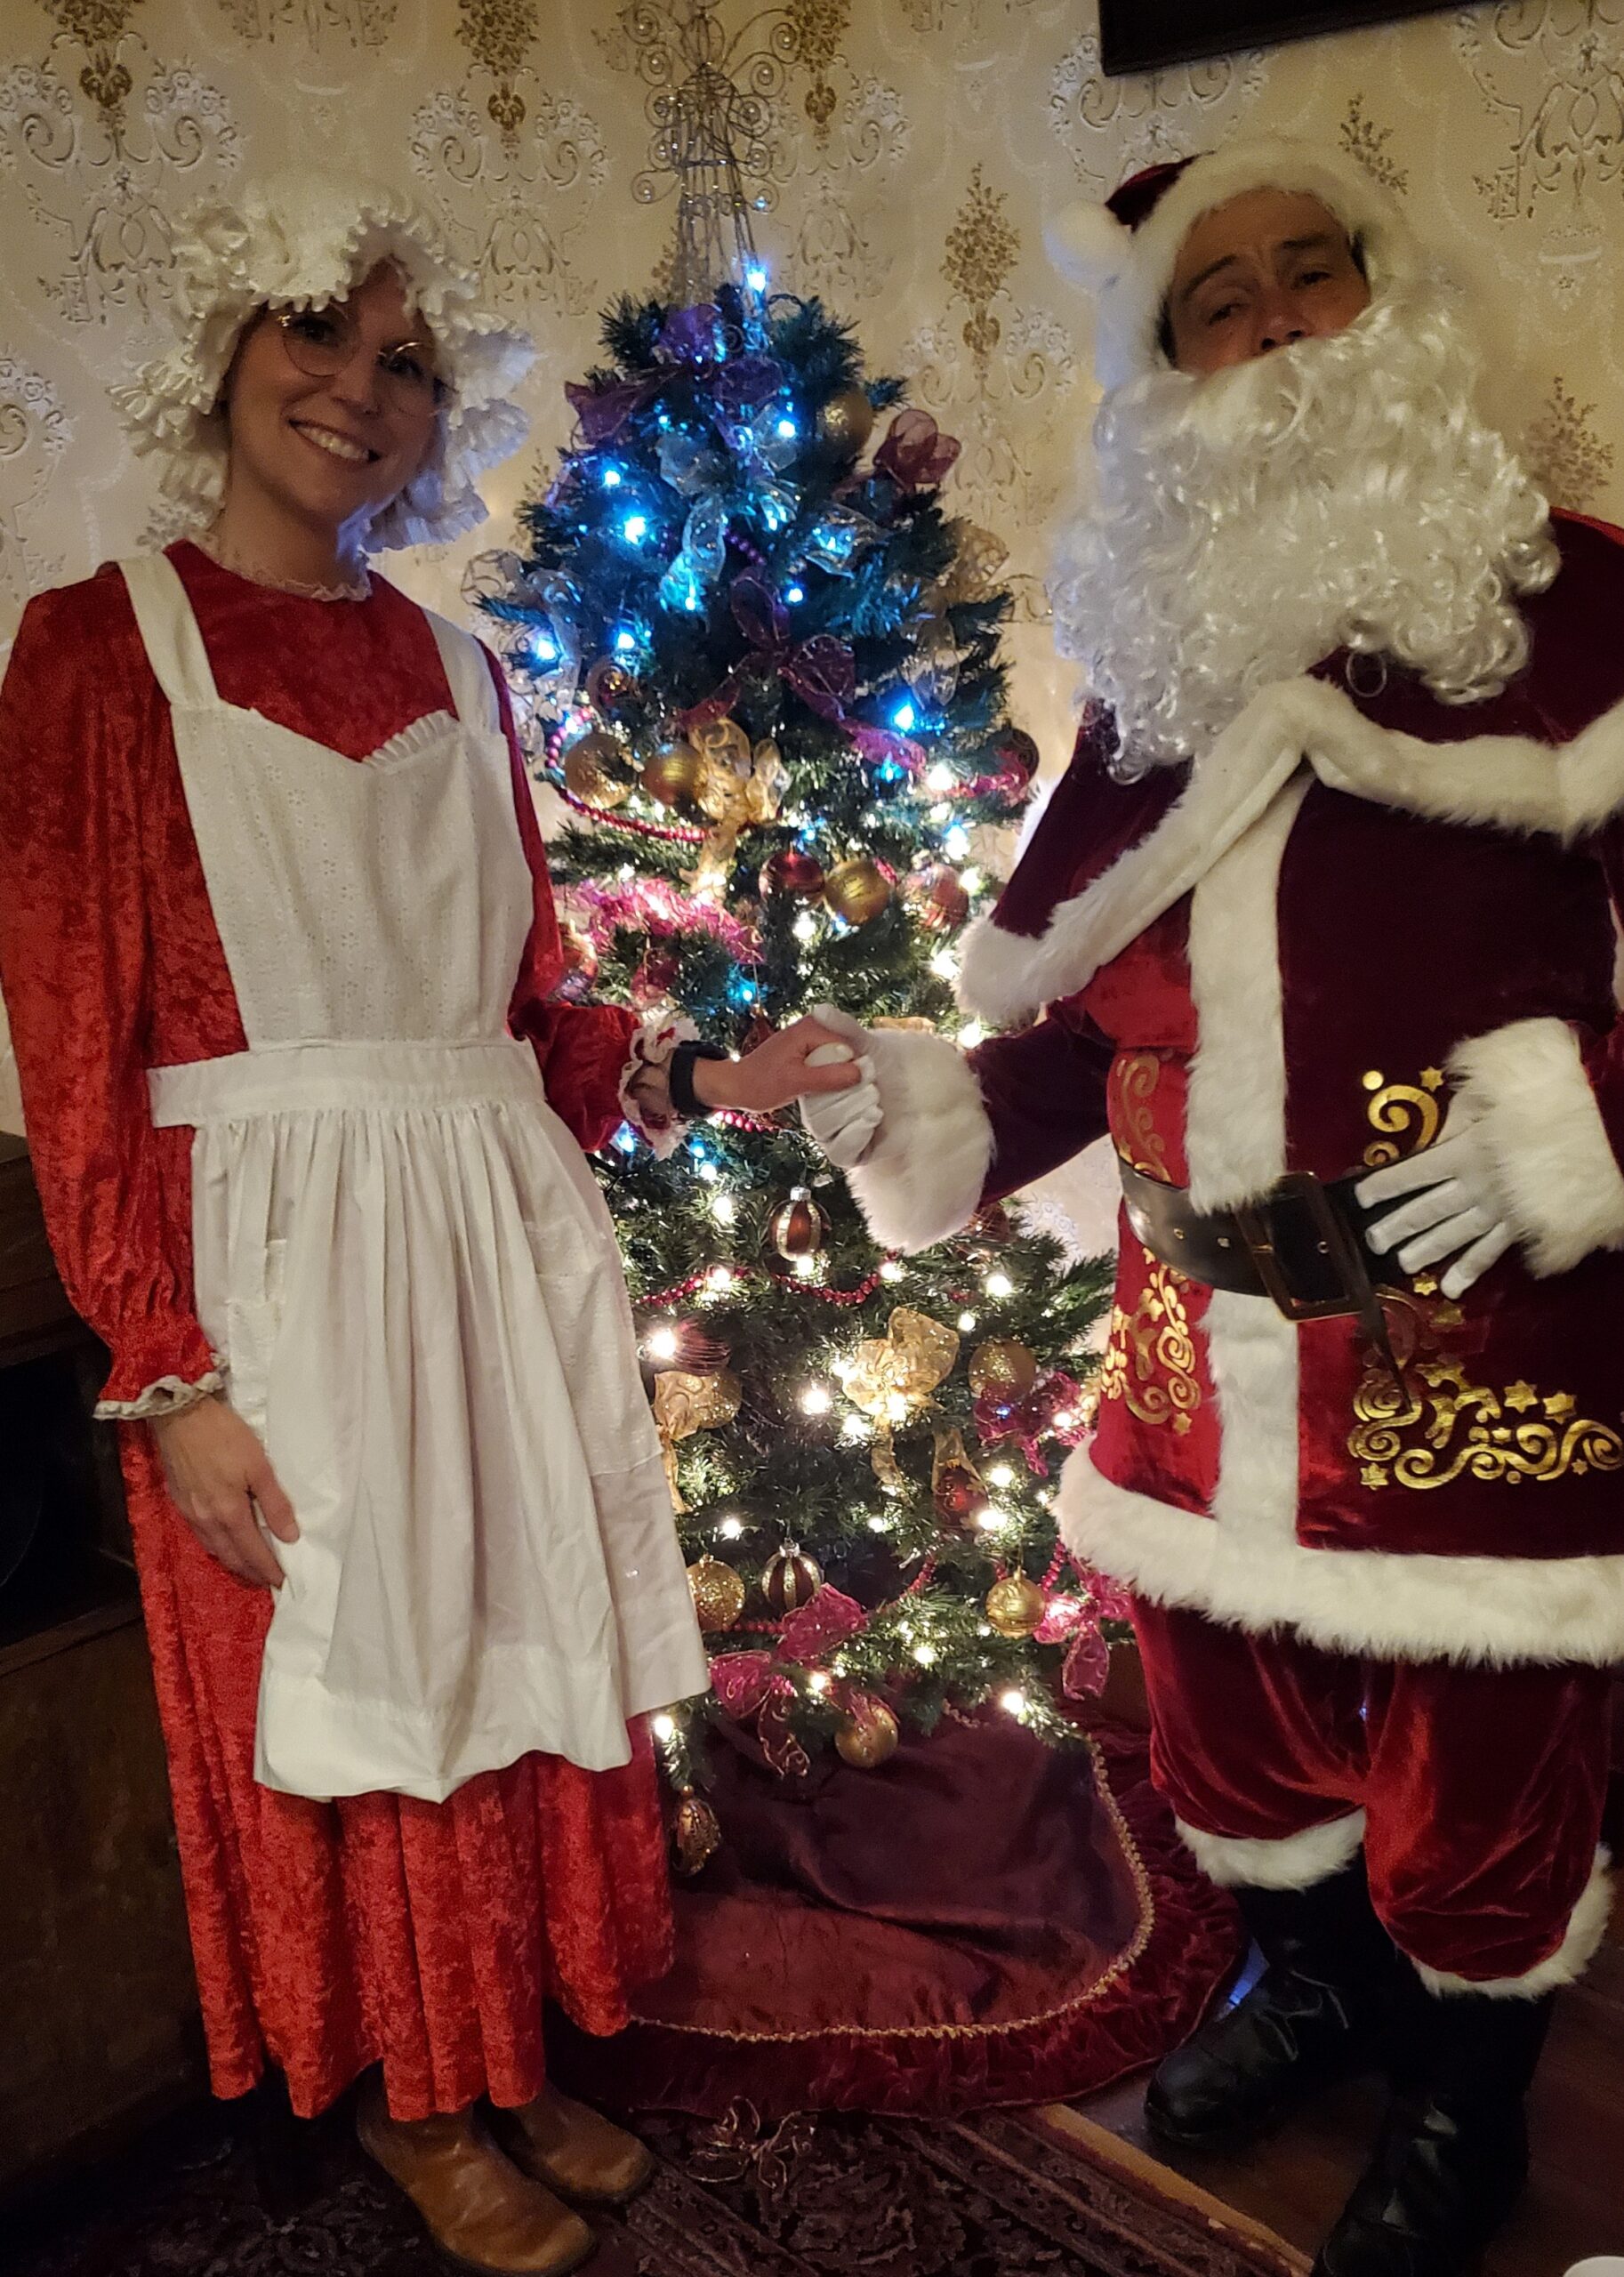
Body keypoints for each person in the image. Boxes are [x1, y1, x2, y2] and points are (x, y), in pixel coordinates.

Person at [0, 175, 856, 2277]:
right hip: (272, 1254)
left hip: (487, 1219)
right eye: (317, 328)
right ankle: (403, 2087)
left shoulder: (468, 666)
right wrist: (160, 1363)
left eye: (403, 363)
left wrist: (685, 1077)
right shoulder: (102, 648)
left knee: (506, 1632)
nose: (355, 388)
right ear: (224, 346)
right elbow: (72, 1035)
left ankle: (500, 2033)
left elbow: (525, 1002)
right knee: (356, 1663)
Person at [800, 136, 1624, 2277]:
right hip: (1190, 1344)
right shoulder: (1148, 689)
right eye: (1216, 300)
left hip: (1470, 1338)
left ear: (1389, 296)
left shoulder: (1589, 609)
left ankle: (1467, 2083)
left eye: (1307, 275)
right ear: (1160, 370)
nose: (1271, 326)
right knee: (1225, 1719)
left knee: (1479, 1766)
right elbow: (1081, 1035)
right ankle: (1321, 1984)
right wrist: (928, 1106)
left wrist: (1582, 1122)